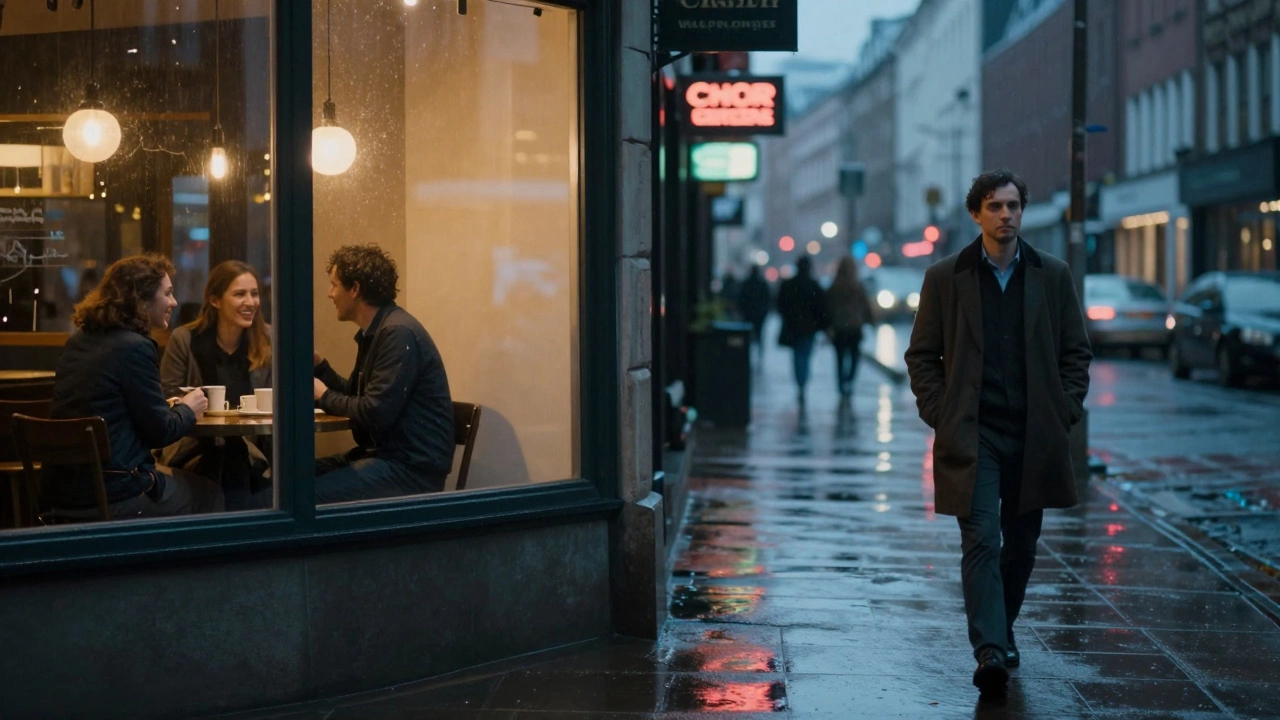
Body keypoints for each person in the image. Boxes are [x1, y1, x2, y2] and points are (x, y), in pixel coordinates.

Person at [904, 170, 1091, 695]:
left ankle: (1002, 628)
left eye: (1013, 206)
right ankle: (989, 648)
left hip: (1034, 434)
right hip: (975, 432)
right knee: (982, 539)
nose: (1005, 215)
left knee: (1022, 547)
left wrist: (1064, 409)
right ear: (975, 214)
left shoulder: (1050, 275)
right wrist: (942, 412)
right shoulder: (947, 276)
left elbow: (1076, 352)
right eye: (994, 206)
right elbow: (922, 356)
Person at [49, 254, 223, 518]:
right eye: (168, 293)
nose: (174, 302)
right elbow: (160, 433)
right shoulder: (134, 348)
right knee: (209, 494)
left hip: (63, 493)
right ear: (142, 300)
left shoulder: (80, 342)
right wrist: (189, 408)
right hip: (116, 492)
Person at [312, 244, 455, 502]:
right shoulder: (380, 331)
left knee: (300, 497)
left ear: (354, 289)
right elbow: (358, 397)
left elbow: (375, 412)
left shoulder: (397, 333)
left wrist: (323, 396)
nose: (329, 294)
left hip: (410, 473)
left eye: (334, 285)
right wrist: (321, 366)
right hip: (384, 458)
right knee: (290, 479)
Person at [160, 260, 273, 507]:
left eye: (254, 294)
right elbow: (167, 399)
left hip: (256, 450)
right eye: (239, 294)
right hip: (194, 447)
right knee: (229, 457)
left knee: (235, 454)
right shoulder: (185, 340)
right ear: (215, 300)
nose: (250, 302)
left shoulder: (269, 340)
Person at [776, 256, 828, 406]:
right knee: (804, 355)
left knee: (797, 356)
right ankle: (802, 381)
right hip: (808, 328)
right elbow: (821, 308)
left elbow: (781, 304)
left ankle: (800, 382)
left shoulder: (789, 285)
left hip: (794, 327)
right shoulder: (813, 285)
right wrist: (821, 325)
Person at [825, 257, 874, 397]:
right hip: (854, 327)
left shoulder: (834, 287)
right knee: (854, 356)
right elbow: (865, 305)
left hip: (839, 327)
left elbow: (828, 307)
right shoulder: (857, 286)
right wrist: (870, 320)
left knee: (840, 358)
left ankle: (841, 384)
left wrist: (827, 325)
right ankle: (849, 380)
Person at [737, 265, 772, 359]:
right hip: (759, 315)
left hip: (749, 314)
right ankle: (759, 359)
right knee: (759, 337)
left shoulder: (746, 283)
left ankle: (746, 357)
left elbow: (741, 299)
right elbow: (767, 299)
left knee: (747, 337)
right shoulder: (762, 283)